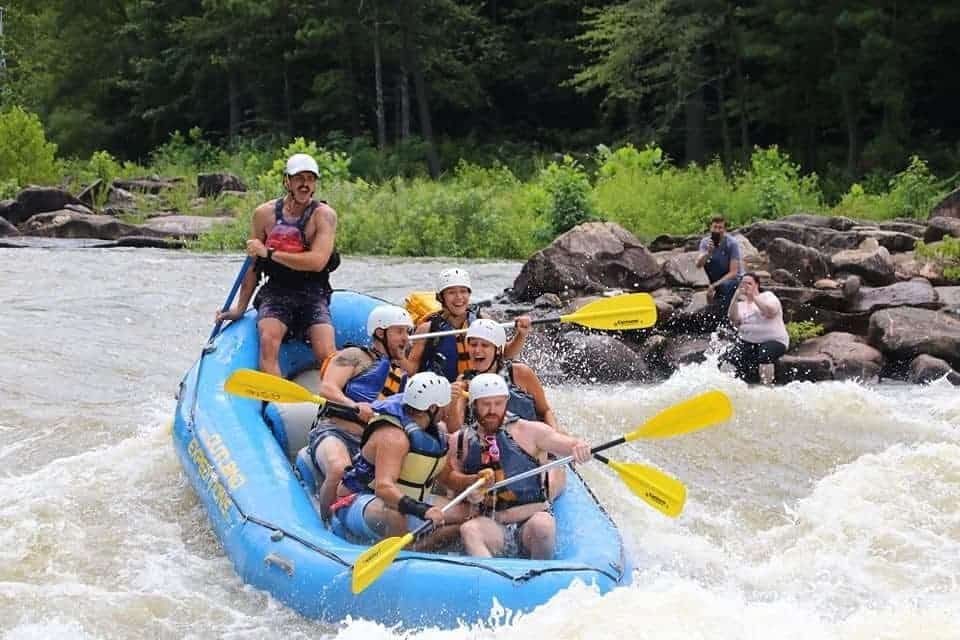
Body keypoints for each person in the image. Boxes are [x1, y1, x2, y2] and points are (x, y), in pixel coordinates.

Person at [217, 153, 339, 376]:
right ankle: (276, 404)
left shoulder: (324, 216)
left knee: (327, 351)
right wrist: (240, 308)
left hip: (313, 292)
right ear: (287, 181)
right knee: (268, 341)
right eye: (299, 178)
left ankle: (336, 402)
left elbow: (317, 261)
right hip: (276, 291)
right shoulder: (264, 214)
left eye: (310, 179)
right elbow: (252, 266)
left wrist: (270, 253)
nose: (305, 184)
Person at [331, 372, 488, 542]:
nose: (447, 409)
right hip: (358, 500)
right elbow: (383, 488)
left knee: (470, 514)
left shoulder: (435, 434)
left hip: (409, 500)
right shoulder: (394, 436)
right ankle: (403, 556)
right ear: (433, 407)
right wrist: (422, 510)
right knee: (395, 513)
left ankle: (418, 547)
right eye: (445, 405)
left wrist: (473, 481)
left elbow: (447, 477)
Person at [451, 374, 591, 560]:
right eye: (485, 404)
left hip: (530, 520)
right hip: (494, 525)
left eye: (498, 403)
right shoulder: (460, 442)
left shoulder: (530, 431)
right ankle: (491, 581)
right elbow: (453, 492)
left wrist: (579, 446)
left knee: (543, 525)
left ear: (507, 402)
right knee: (469, 530)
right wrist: (472, 496)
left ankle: (539, 578)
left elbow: (566, 444)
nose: (492, 410)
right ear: (473, 404)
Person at [307, 305, 413, 520]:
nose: (405, 338)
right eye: (399, 332)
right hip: (334, 432)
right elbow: (327, 388)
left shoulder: (403, 374)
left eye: (407, 332)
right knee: (339, 469)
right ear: (381, 332)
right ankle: (325, 524)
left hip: (372, 445)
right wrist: (353, 406)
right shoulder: (354, 356)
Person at [406, 268, 532, 382]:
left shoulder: (482, 320)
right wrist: (398, 355)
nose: (459, 297)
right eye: (451, 292)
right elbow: (411, 370)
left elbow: (505, 354)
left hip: (479, 389)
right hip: (443, 395)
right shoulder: (428, 329)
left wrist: (521, 335)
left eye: (463, 291)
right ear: (441, 297)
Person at [721, 273, 789, 385]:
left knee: (765, 354)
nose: (746, 286)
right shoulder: (741, 305)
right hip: (749, 342)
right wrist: (735, 297)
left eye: (749, 283)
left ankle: (766, 388)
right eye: (743, 283)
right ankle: (726, 387)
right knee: (728, 360)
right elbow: (733, 319)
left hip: (775, 341)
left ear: (757, 285)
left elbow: (770, 312)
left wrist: (753, 297)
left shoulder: (768, 296)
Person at [695, 215, 742, 328]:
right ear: (710, 228)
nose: (717, 230)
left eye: (720, 227)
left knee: (726, 289)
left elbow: (734, 272)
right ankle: (714, 318)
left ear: (724, 229)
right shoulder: (705, 242)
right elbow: (698, 265)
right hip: (715, 278)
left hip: (731, 280)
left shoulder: (732, 244)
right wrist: (708, 253)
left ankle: (722, 322)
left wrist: (714, 285)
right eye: (715, 227)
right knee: (715, 298)